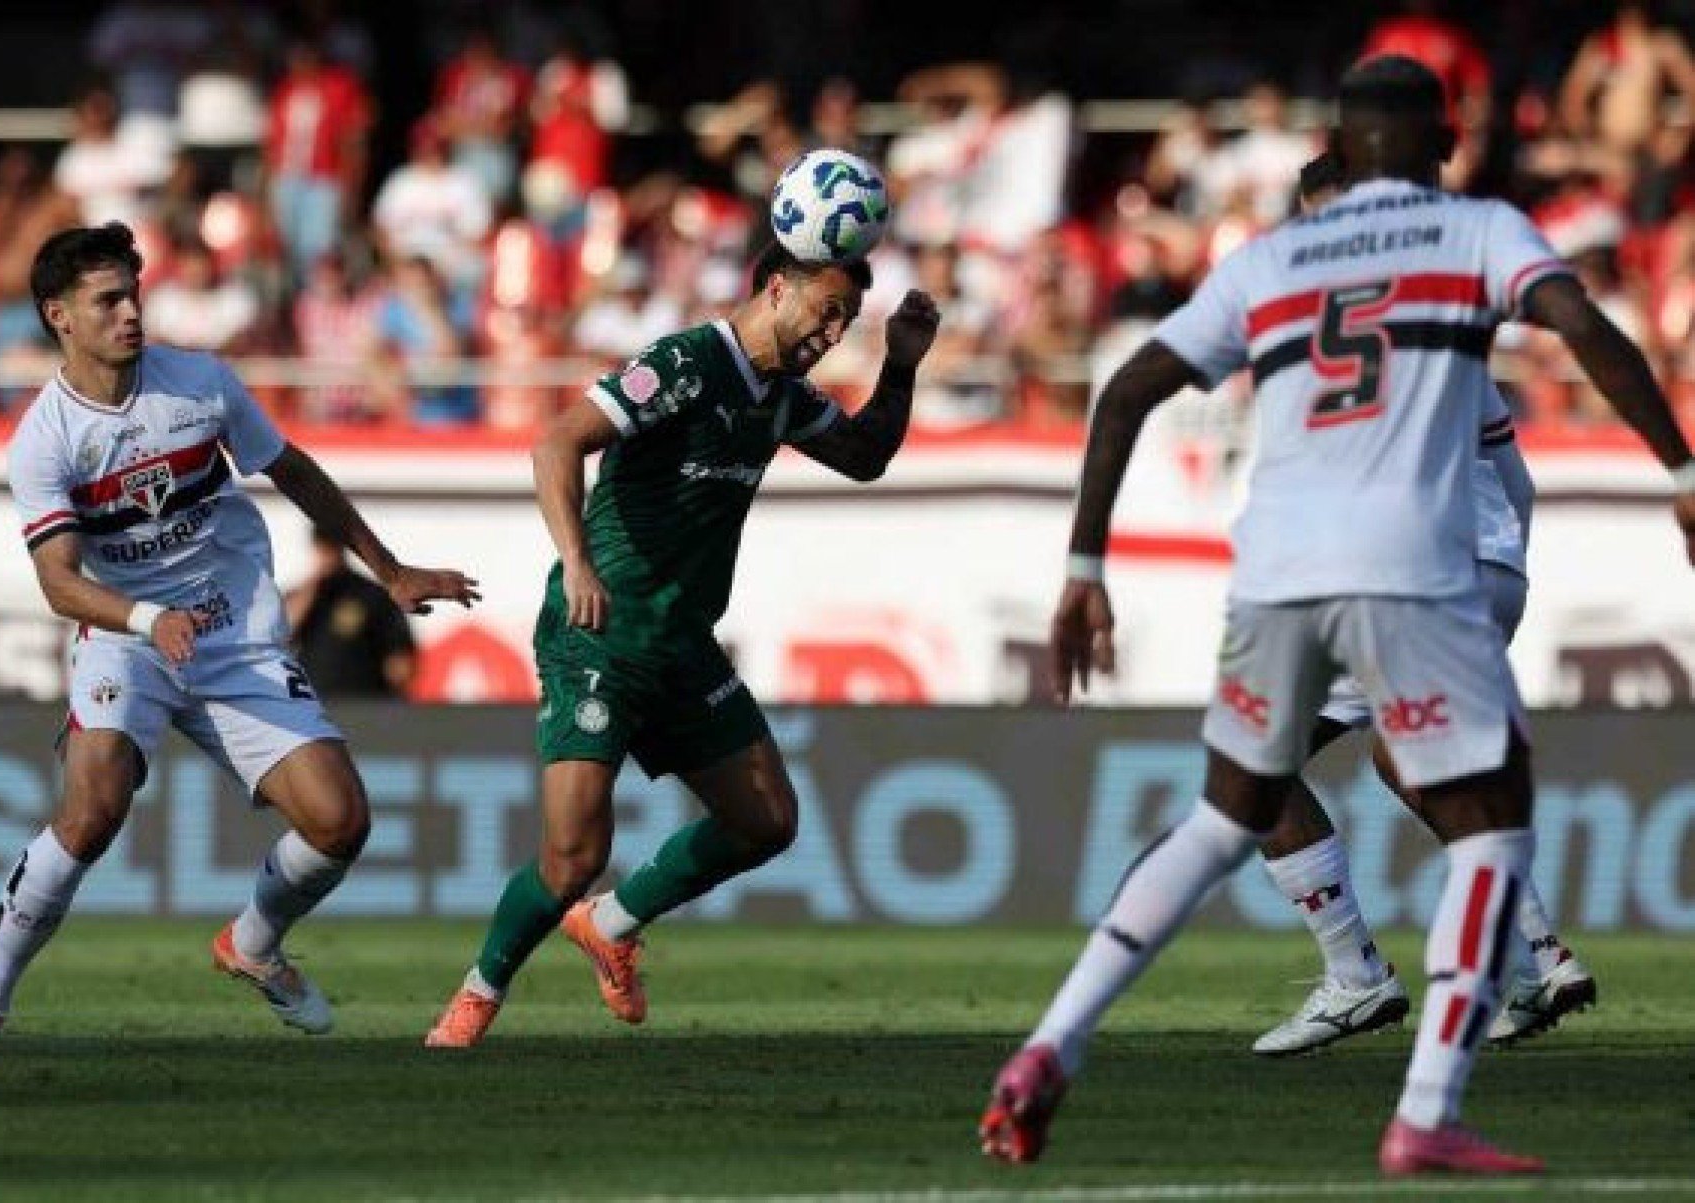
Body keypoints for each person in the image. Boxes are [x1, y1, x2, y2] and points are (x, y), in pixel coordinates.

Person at [978, 56, 1695, 1175]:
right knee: (1489, 820)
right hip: (1413, 565)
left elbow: (1122, 392)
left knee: (1225, 817)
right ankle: (1432, 1103)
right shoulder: (1472, 231)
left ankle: (1046, 1049)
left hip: (1274, 572)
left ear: (1341, 151)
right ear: (1439, 145)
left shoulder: (1270, 258)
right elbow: (1584, 329)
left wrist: (1083, 566)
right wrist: (1681, 466)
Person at [0, 222, 477, 1043]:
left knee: (342, 821)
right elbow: (60, 583)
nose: (130, 312)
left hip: (234, 634)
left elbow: (292, 469)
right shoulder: (43, 439)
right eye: (107, 299)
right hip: (127, 635)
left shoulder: (199, 383)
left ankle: (253, 941)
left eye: (133, 293)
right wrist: (151, 619)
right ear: (60, 317)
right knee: (92, 810)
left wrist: (390, 570)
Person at [423, 242, 941, 1048]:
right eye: (826, 310)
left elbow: (866, 456)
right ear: (777, 287)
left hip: (680, 641)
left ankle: (612, 923)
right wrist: (576, 559)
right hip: (599, 628)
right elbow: (556, 443)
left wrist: (901, 366)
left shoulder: (779, 395)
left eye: (846, 319)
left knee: (767, 819)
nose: (835, 331)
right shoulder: (685, 363)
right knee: (571, 855)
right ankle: (478, 993)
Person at [1248, 154, 1594, 1058]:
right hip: (1480, 569)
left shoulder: (1328, 333)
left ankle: (1356, 977)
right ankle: (1541, 953)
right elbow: (1511, 475)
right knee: (1406, 764)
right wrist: (1504, 574)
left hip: (1410, 572)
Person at [287, 525, 418, 698]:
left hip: (364, 702)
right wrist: (313, 584)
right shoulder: (303, 595)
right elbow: (284, 631)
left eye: (332, 546)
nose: (328, 554)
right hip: (314, 702)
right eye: (323, 547)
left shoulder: (373, 595)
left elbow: (400, 657)